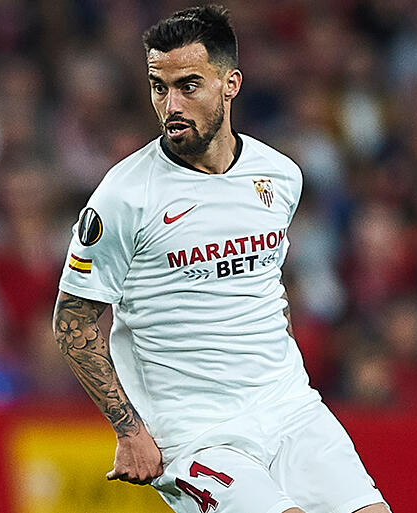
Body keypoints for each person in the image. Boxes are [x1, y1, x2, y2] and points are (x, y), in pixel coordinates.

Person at [53, 5, 390, 513]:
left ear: (230, 84)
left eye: (188, 86)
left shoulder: (280, 176)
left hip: (290, 410)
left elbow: (264, 287)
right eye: (159, 87)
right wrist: (129, 430)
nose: (171, 104)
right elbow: (71, 321)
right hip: (195, 434)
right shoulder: (123, 196)